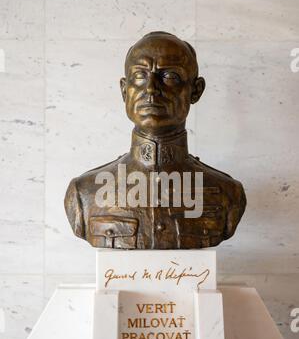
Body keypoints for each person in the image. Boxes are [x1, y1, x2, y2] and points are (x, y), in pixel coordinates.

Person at [65, 31, 246, 249]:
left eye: (169, 76)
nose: (151, 89)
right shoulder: (85, 192)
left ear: (195, 91)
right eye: (140, 76)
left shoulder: (227, 193)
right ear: (125, 90)